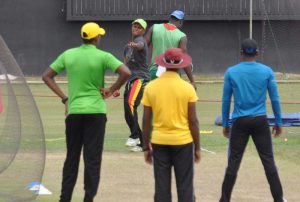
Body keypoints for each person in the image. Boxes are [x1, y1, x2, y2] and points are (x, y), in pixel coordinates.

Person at [42, 22, 131, 202]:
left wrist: (65, 99)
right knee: (92, 159)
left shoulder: (68, 54)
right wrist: (111, 89)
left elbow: (46, 76)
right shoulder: (103, 56)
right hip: (96, 112)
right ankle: (88, 199)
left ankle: (64, 198)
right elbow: (126, 72)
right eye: (100, 35)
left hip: (74, 112)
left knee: (72, 157)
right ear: (96, 37)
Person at [219, 38, 287, 202]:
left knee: (234, 161)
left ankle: (224, 199)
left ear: (241, 53)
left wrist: (226, 124)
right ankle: (279, 199)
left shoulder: (231, 72)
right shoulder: (267, 71)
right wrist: (278, 122)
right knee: (268, 160)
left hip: (240, 122)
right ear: (257, 53)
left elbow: (226, 100)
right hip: (260, 121)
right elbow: (275, 99)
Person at [141, 48, 201, 202]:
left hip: (160, 142)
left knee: (161, 187)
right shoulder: (187, 88)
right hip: (183, 142)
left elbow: (146, 120)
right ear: (181, 65)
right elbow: (193, 121)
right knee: (185, 186)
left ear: (163, 64)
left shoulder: (151, 87)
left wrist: (146, 147)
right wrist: (198, 147)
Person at [145, 10, 196, 89]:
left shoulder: (154, 27)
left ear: (170, 18)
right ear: (180, 22)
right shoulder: (182, 36)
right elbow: (184, 59)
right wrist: (192, 81)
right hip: (173, 74)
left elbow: (143, 47)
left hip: (154, 72)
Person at [123, 19, 150, 152]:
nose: (136, 29)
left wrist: (135, 45)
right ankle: (143, 143)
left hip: (140, 79)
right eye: (135, 26)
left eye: (139, 27)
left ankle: (134, 136)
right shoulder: (127, 47)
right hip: (129, 80)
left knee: (130, 103)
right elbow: (125, 67)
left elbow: (139, 45)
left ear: (143, 31)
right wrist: (117, 87)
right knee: (128, 112)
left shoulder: (141, 41)